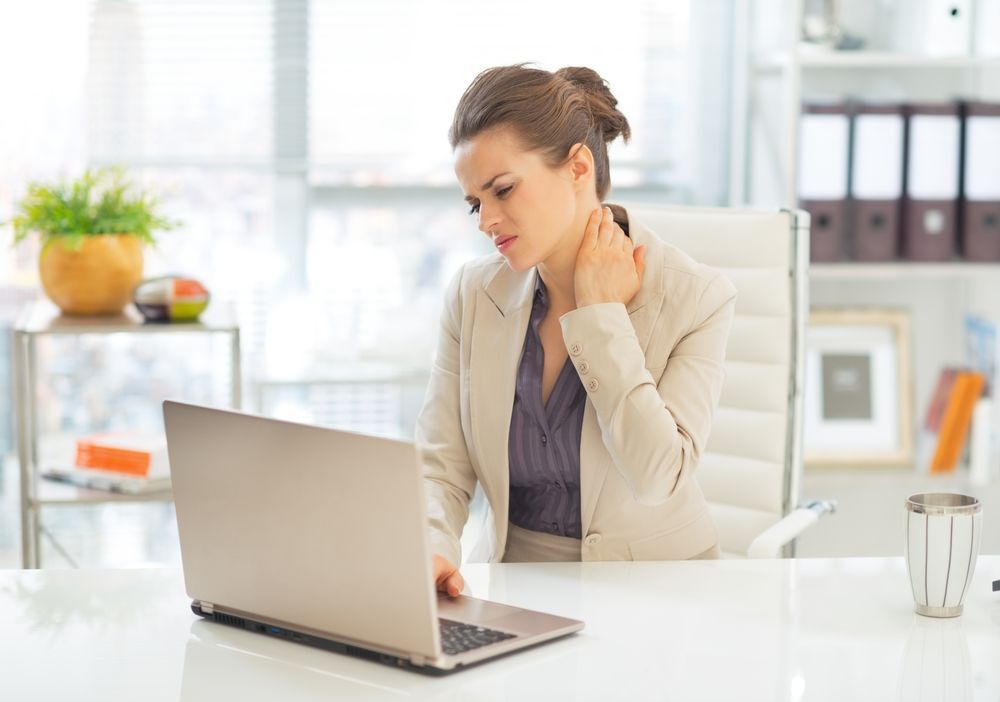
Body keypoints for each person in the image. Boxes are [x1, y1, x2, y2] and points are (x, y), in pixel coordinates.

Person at [416, 64, 737, 598]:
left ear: (578, 167)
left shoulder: (697, 296)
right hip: (515, 588)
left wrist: (600, 318)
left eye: (503, 190)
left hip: (663, 596)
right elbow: (441, 467)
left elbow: (658, 476)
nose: (485, 220)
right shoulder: (474, 295)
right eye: (476, 202)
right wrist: (433, 548)